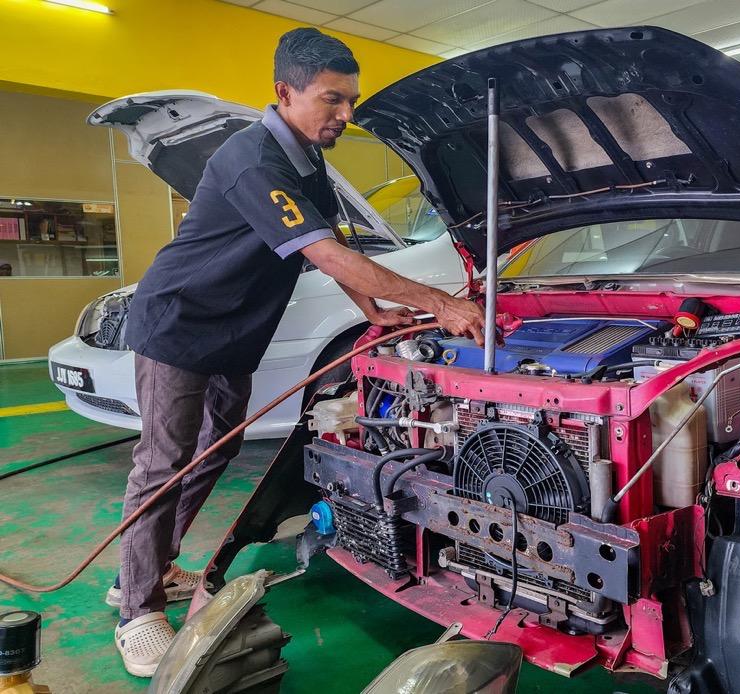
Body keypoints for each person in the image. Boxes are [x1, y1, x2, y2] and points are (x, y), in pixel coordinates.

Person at [109, 27, 485, 676]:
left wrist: (374, 309)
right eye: (332, 100)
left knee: (218, 447)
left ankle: (153, 562)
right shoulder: (253, 158)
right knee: (164, 460)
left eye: (351, 101)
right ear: (285, 93)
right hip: (179, 322)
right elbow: (327, 254)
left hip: (234, 330)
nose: (345, 114)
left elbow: (335, 250)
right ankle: (133, 606)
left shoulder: (308, 163)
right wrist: (440, 303)